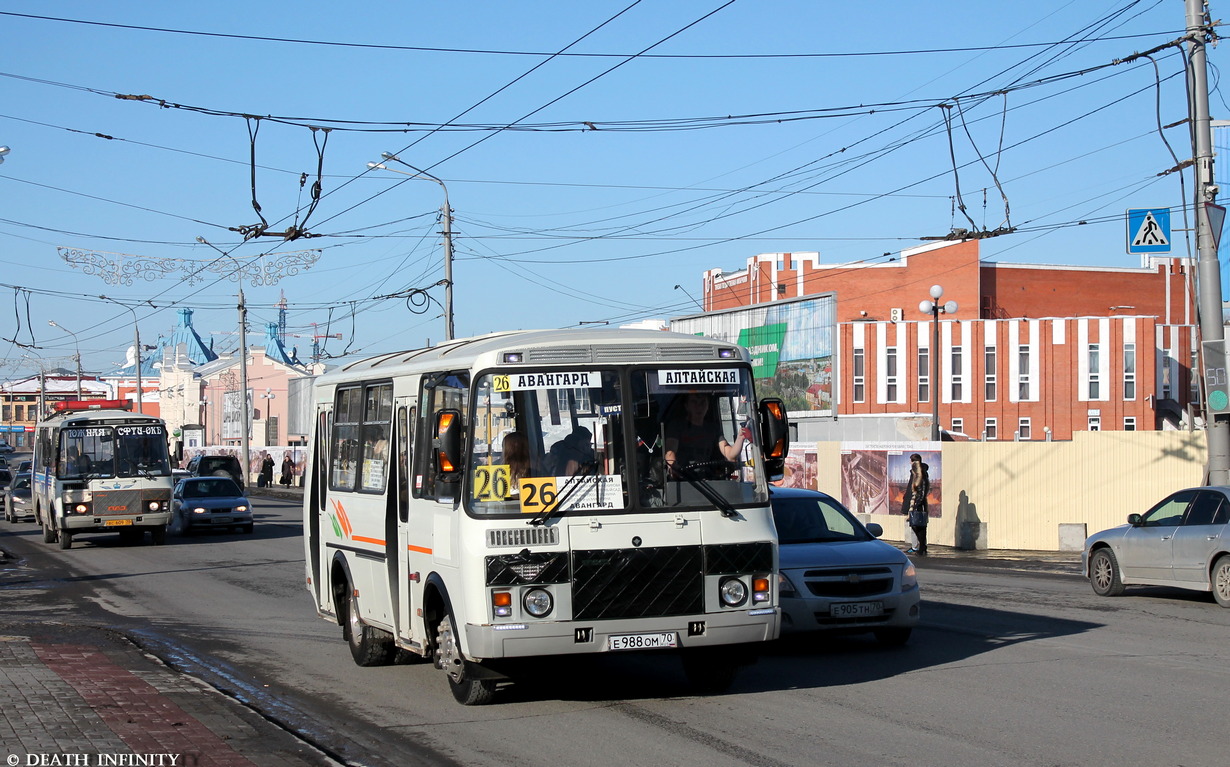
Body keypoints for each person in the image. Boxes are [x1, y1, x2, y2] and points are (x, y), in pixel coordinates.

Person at [663, 392, 745, 476]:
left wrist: (740, 438)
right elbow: (670, 453)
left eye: (703, 402)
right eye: (694, 402)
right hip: (684, 479)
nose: (699, 407)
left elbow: (730, 455)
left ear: (708, 405)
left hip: (707, 479)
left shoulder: (712, 429)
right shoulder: (676, 427)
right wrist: (674, 469)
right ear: (686, 406)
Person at [904, 453, 930, 555]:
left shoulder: (918, 474)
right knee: (920, 526)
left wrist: (913, 506)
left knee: (916, 525)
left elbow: (918, 491)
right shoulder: (922, 473)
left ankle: (921, 547)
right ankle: (922, 547)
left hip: (917, 503)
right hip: (920, 503)